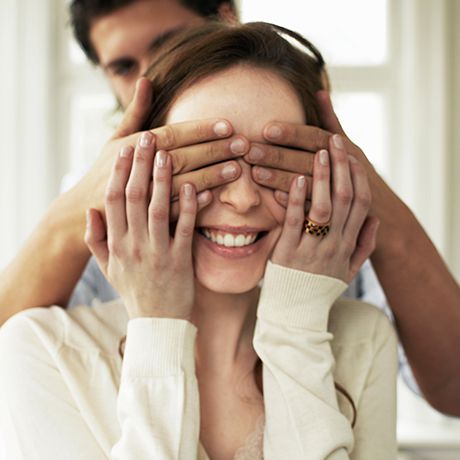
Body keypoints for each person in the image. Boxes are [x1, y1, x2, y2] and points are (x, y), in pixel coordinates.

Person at [0, 0, 458, 416]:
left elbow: (453, 390)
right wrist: (76, 213)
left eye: (172, 45)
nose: (150, 77)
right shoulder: (89, 219)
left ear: (224, 26)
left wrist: (369, 198)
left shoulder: (329, 209)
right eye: (123, 67)